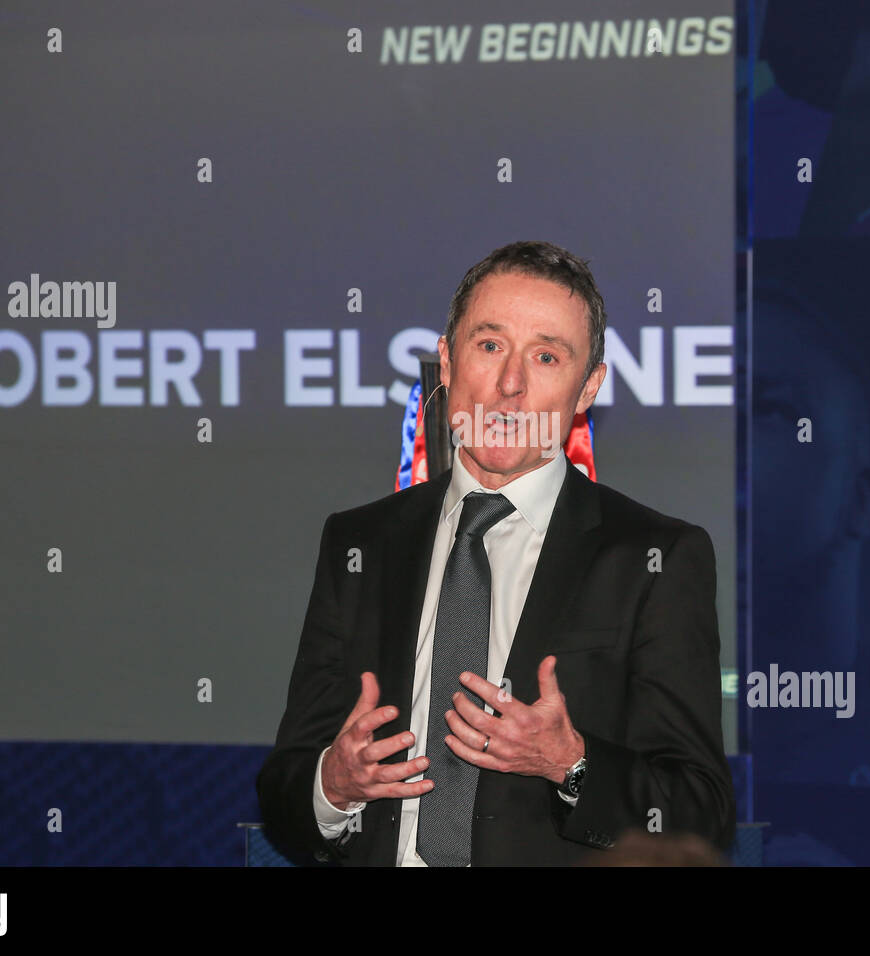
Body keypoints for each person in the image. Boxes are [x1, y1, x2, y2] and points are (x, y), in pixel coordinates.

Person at [257, 240, 734, 865]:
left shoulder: (656, 556)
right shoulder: (361, 544)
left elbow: (700, 815)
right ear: (447, 362)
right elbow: (285, 794)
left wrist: (571, 763)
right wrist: (334, 785)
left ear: (589, 387)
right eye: (488, 346)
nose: (510, 384)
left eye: (546, 356)